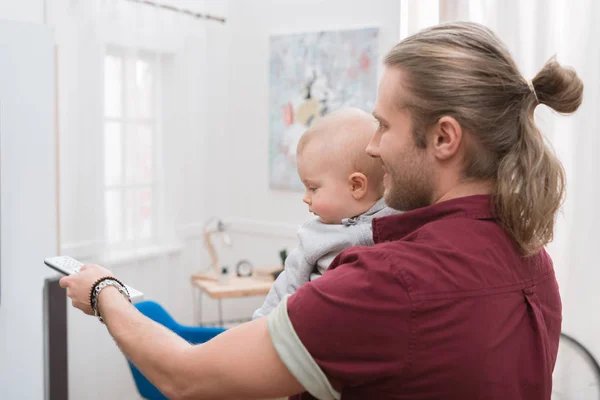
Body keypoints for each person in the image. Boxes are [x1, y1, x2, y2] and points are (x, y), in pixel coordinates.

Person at [61, 22, 583, 400]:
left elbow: (184, 376)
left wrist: (105, 293)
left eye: (384, 126)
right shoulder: (532, 260)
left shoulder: (389, 282)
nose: (373, 147)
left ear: (444, 138)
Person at [253, 108, 395, 319]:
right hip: (314, 330)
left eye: (313, 188)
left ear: (356, 185)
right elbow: (286, 286)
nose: (306, 197)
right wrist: (260, 325)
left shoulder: (398, 219)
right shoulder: (314, 236)